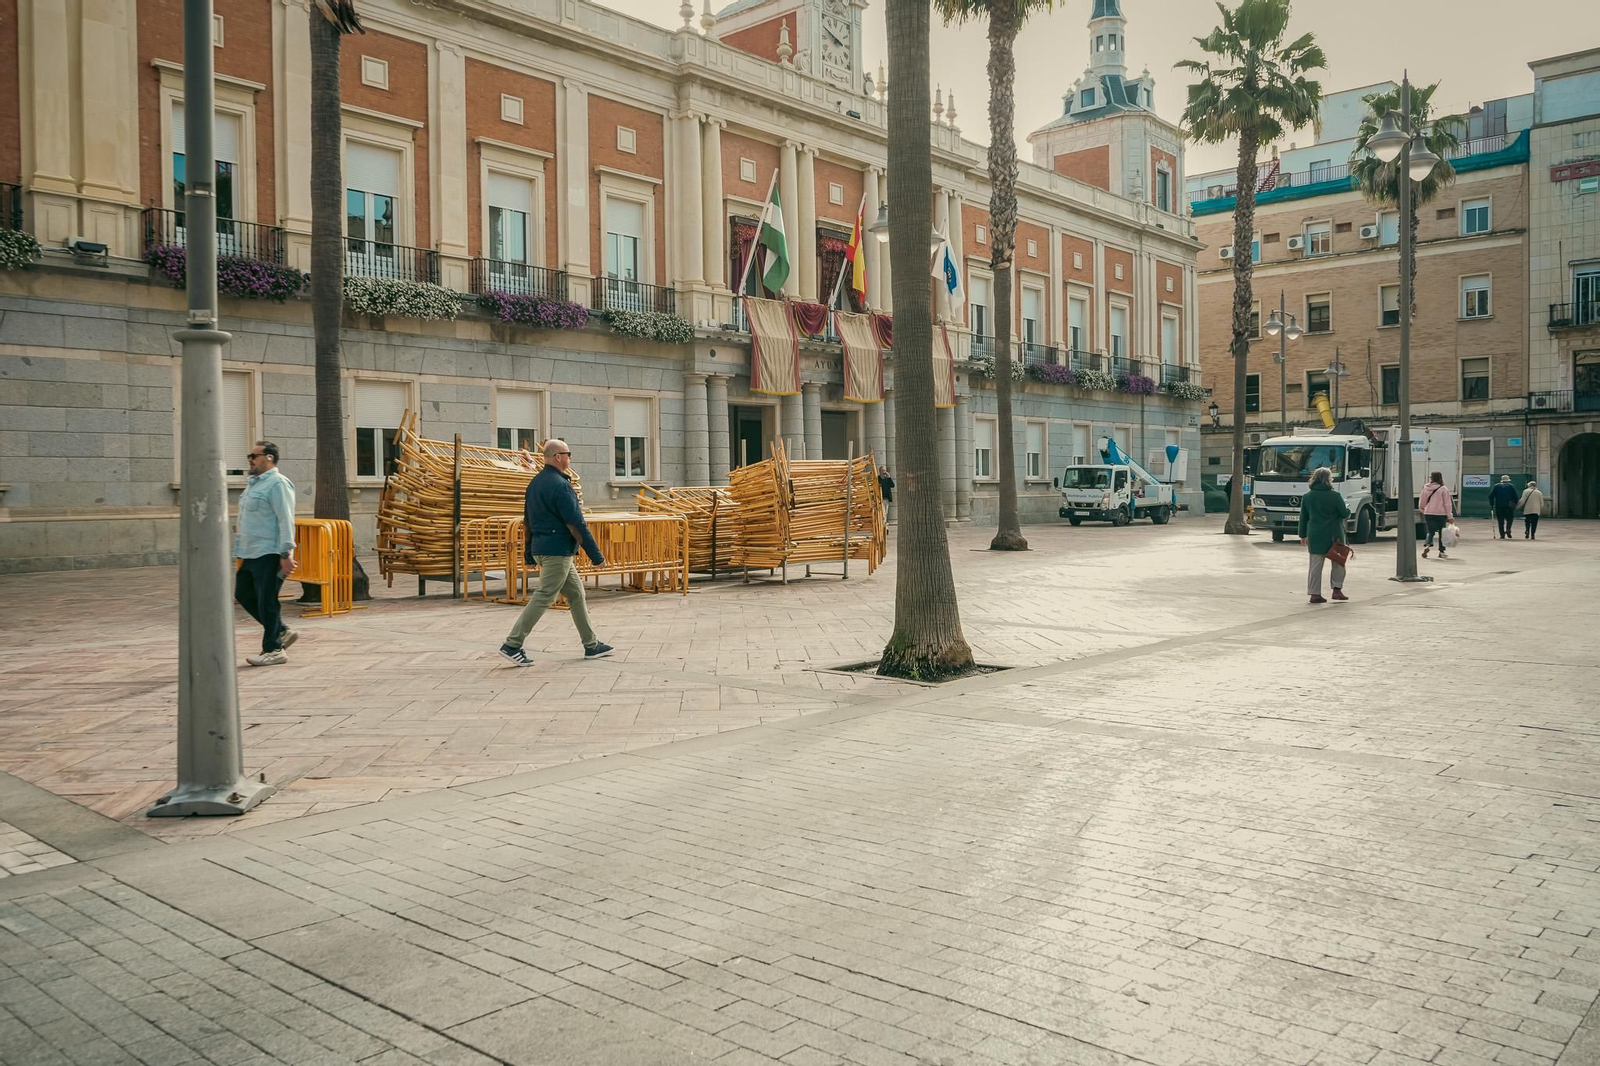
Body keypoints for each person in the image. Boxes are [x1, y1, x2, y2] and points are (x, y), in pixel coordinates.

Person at [498, 439, 615, 666]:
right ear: (558, 457)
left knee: (576, 594)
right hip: (557, 551)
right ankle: (512, 644)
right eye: (568, 454)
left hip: (545, 548)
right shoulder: (560, 485)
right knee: (545, 595)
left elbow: (527, 520)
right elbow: (575, 523)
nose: (570, 458)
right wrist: (596, 556)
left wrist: (529, 551)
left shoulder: (535, 483)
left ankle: (591, 645)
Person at [234, 441, 298, 667]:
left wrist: (286, 552)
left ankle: (274, 649)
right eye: (249, 455)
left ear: (269, 457)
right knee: (243, 594)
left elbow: (285, 518)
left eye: (254, 455)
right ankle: (280, 630)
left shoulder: (278, 484)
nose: (250, 459)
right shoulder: (254, 484)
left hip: (270, 552)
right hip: (250, 552)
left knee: (266, 600)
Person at [1298, 466, 1350, 604]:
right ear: (1328, 480)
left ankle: (1315, 594)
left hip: (1315, 536)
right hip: (1335, 536)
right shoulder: (1335, 496)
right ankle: (1337, 590)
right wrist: (1348, 508)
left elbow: (1303, 517)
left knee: (1315, 566)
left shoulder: (1307, 497)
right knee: (1338, 563)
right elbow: (1344, 513)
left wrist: (1302, 535)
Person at [1419, 470, 1455, 558]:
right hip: (1441, 514)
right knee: (1442, 532)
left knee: (1430, 531)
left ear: (1432, 477)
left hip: (1428, 513)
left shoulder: (1426, 487)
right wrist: (1450, 516)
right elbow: (1447, 503)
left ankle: (1427, 544)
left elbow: (1422, 500)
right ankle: (1441, 552)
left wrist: (1423, 509)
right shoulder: (1443, 489)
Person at [1488, 475, 1519, 539]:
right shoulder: (1511, 486)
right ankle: (1508, 529)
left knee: (1500, 521)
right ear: (1508, 480)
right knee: (1510, 519)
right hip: (1509, 506)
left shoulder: (1496, 486)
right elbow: (1516, 497)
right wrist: (1515, 504)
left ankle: (1502, 535)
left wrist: (1492, 504)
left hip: (1499, 506)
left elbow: (1490, 496)